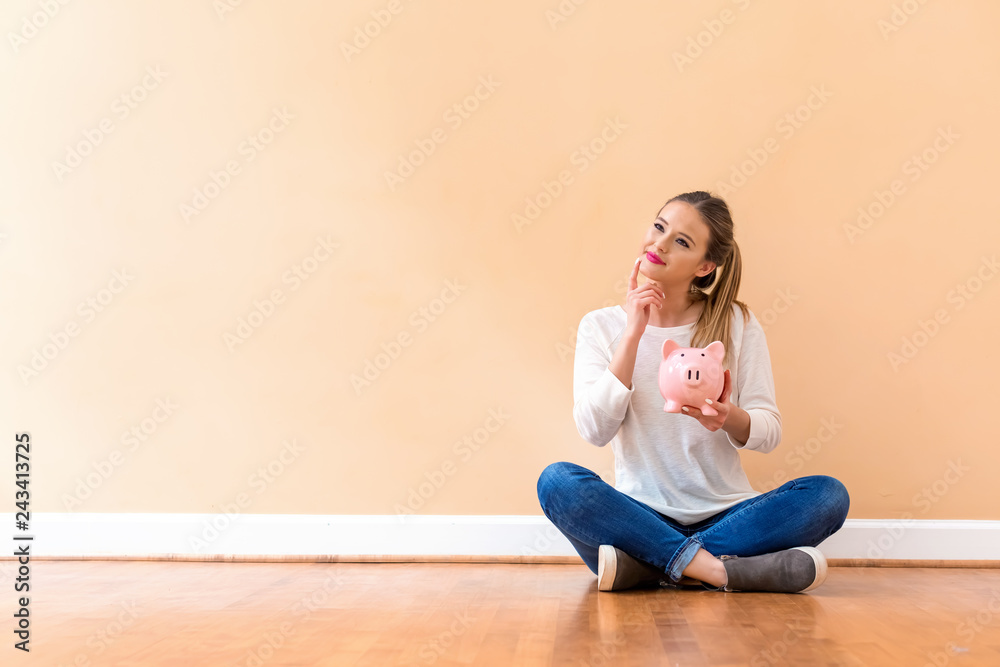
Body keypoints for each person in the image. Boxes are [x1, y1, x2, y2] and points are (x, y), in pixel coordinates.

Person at [536, 191, 850, 593]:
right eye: (659, 226)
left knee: (827, 496)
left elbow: (769, 431)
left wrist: (728, 417)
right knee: (558, 482)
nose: (660, 243)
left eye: (681, 241)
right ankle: (720, 571)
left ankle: (649, 565)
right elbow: (594, 430)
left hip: (727, 514)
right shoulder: (600, 327)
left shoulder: (736, 322)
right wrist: (632, 335)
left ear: (705, 266)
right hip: (640, 515)